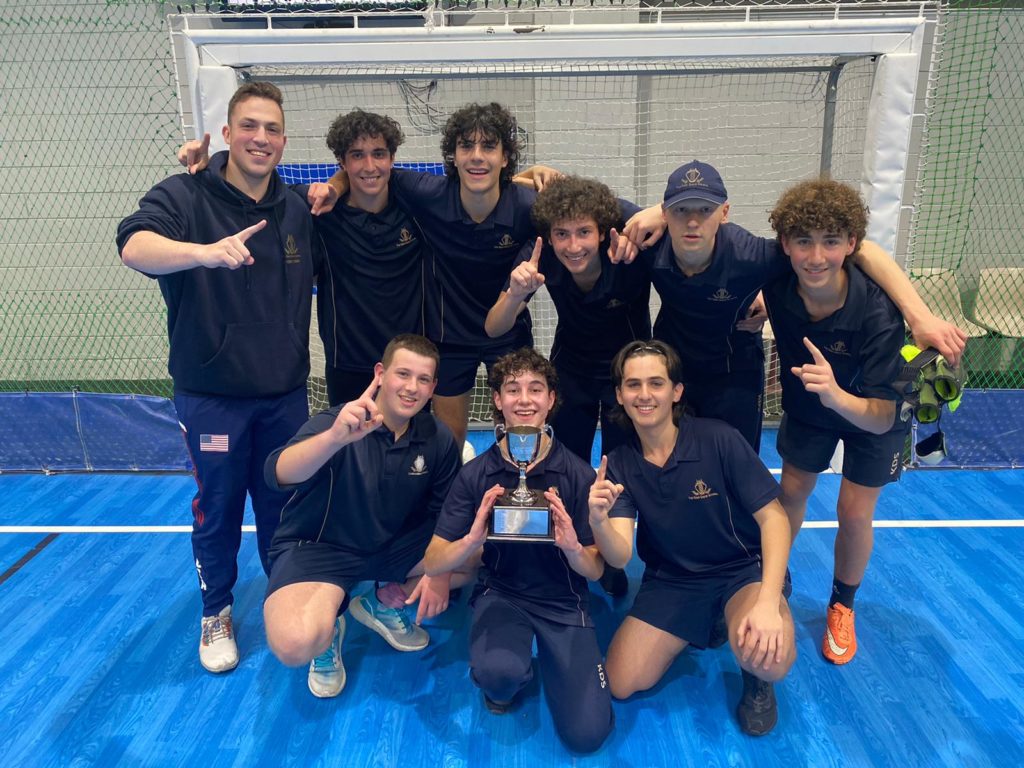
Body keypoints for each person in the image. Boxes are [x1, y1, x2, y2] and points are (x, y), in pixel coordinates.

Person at [116, 81, 316, 674]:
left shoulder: (297, 208)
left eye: (272, 129)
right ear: (227, 134)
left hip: (284, 395)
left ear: (283, 141)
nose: (261, 138)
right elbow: (132, 246)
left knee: (287, 508)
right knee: (220, 507)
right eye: (249, 126)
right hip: (211, 397)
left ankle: (288, 599)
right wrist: (202, 252)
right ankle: (217, 610)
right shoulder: (184, 194)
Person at [630, 159, 967, 453]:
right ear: (665, 212)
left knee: (735, 472)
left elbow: (863, 250)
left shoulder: (754, 255)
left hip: (733, 373)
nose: (692, 221)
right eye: (681, 210)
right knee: (667, 466)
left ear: (725, 213)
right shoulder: (647, 244)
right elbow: (591, 209)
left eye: (705, 210)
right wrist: (649, 212)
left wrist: (919, 316)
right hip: (673, 369)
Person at [595, 340, 796, 736]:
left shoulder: (718, 439)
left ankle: (755, 677)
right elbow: (618, 556)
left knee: (770, 659)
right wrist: (598, 520)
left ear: (677, 391)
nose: (645, 395)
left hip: (740, 572)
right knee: (620, 682)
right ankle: (709, 622)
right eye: (633, 385)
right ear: (619, 395)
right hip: (674, 580)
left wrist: (769, 602)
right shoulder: (618, 463)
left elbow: (774, 520)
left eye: (656, 383)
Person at [423, 348, 617, 753]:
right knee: (499, 674)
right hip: (503, 593)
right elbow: (435, 560)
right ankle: (508, 674)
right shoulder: (476, 475)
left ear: (550, 400)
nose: (524, 399)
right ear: (497, 400)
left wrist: (571, 548)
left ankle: (556, 657)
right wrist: (471, 542)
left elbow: (597, 571)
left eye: (535, 389)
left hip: (563, 599)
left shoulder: (578, 474)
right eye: (513, 390)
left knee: (588, 734)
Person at [262, 335, 474, 698]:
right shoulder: (338, 422)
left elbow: (447, 515)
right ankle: (329, 628)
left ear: (433, 387)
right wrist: (334, 439)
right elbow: (278, 473)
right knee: (296, 644)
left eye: (423, 380)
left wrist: (438, 573)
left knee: (480, 555)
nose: (411, 388)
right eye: (402, 374)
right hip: (323, 547)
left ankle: (380, 602)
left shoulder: (436, 438)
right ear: (380, 373)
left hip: (393, 546)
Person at [180, 110, 426, 406]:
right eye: (357, 155)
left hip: (411, 363)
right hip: (347, 362)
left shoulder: (417, 211)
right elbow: (252, 192)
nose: (370, 165)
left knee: (410, 447)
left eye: (379, 154)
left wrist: (337, 184)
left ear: (392, 158)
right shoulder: (318, 214)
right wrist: (208, 171)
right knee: (349, 449)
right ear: (343, 162)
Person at [763, 179, 908, 666]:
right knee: (792, 491)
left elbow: (884, 413)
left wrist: (837, 395)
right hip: (812, 403)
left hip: (871, 411)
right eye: (804, 241)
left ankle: (842, 604)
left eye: (831, 241)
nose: (816, 256)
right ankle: (774, 577)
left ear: (852, 245)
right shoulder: (777, 286)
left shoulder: (880, 313)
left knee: (853, 511)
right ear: (786, 245)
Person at [486, 174, 651, 597]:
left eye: (583, 233)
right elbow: (494, 327)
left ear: (602, 231)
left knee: (621, 467)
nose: (573, 245)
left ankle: (615, 558)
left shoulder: (628, 248)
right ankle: (567, 549)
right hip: (573, 368)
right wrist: (514, 294)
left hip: (624, 375)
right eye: (562, 234)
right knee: (566, 463)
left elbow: (679, 220)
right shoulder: (538, 255)